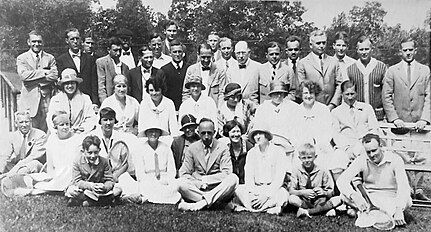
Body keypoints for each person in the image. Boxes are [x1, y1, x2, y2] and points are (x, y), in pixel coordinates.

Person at [382, 37, 430, 201]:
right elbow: (386, 96)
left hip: (419, 123)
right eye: (405, 50)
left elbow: (429, 96)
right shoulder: (392, 71)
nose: (408, 53)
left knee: (421, 156)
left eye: (411, 49)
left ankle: (420, 189)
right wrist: (394, 118)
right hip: (400, 123)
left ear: (415, 50)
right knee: (403, 156)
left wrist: (425, 119)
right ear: (400, 51)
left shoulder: (425, 70)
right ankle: (407, 189)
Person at [337, 133, 412, 226]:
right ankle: (370, 211)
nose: (371, 155)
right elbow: (341, 180)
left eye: (374, 150)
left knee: (407, 201)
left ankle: (363, 212)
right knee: (344, 195)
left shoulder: (395, 159)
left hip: (391, 197)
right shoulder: (362, 159)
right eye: (368, 152)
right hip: (369, 197)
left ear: (381, 146)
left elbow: (403, 186)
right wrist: (354, 196)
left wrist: (399, 209)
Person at [177, 118, 238, 211]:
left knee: (233, 178)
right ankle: (217, 204)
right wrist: (198, 183)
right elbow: (183, 173)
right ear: (198, 132)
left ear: (214, 132)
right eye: (203, 133)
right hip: (199, 189)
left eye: (209, 133)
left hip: (218, 187)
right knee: (180, 183)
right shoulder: (192, 148)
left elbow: (227, 173)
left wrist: (205, 180)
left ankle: (201, 203)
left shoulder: (222, 147)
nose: (206, 136)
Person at [231, 121, 288, 214]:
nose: (257, 136)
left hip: (272, 189)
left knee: (283, 194)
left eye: (260, 133)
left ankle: (254, 208)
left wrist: (266, 196)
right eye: (255, 134)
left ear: (267, 135)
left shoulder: (278, 151)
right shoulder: (251, 153)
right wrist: (255, 194)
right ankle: (268, 208)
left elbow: (279, 179)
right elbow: (248, 177)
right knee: (239, 190)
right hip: (256, 190)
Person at [332, 81, 380, 177]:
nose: (350, 97)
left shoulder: (367, 108)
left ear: (357, 93)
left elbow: (374, 129)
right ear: (342, 94)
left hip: (364, 146)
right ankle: (343, 190)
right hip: (345, 147)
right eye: (347, 94)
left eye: (352, 94)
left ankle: (366, 188)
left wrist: (363, 144)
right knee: (337, 158)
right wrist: (347, 148)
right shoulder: (336, 112)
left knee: (367, 157)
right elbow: (335, 134)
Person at [17, 30, 58, 132]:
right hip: (29, 100)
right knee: (30, 130)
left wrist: (32, 79)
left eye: (39, 41)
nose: (37, 44)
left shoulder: (50, 58)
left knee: (47, 128)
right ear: (28, 42)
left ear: (43, 42)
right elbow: (24, 76)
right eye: (34, 41)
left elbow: (54, 75)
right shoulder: (22, 58)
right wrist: (44, 72)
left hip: (46, 98)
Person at [65, 135, 122, 207]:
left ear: (99, 150)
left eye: (96, 152)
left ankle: (88, 202)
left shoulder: (104, 161)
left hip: (99, 190)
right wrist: (91, 186)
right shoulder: (77, 161)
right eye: (89, 153)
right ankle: (103, 201)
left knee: (118, 189)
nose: (93, 156)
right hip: (84, 189)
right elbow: (77, 181)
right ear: (83, 151)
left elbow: (109, 180)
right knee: (71, 190)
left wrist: (104, 187)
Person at [289, 143, 342, 218]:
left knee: (338, 199)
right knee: (292, 199)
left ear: (315, 157)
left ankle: (307, 211)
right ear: (299, 158)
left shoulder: (322, 170)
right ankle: (323, 210)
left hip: (320, 201)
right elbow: (291, 191)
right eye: (304, 158)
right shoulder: (296, 170)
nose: (307, 160)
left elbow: (331, 192)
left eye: (309, 157)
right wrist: (303, 192)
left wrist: (323, 192)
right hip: (305, 201)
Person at [293, 81, 336, 172]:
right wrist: (301, 147)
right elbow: (293, 134)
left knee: (325, 162)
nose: (308, 96)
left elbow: (328, 131)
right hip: (301, 148)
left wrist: (319, 145)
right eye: (305, 93)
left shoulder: (323, 109)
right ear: (301, 95)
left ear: (315, 94)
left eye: (311, 93)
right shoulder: (296, 111)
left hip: (321, 147)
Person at [34, 112, 82, 192]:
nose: (65, 127)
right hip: (57, 172)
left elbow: (79, 163)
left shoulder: (77, 139)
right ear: (56, 127)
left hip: (72, 173)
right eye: (61, 125)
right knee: (42, 183)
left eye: (67, 124)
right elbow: (50, 165)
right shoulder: (52, 139)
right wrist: (52, 176)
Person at [132, 125, 180, 204]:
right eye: (150, 131)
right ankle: (152, 197)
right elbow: (140, 173)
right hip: (148, 180)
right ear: (146, 134)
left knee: (174, 186)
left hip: (164, 180)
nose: (153, 134)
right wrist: (152, 182)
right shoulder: (141, 149)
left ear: (160, 134)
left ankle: (148, 198)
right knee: (144, 187)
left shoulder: (166, 148)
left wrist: (167, 181)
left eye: (156, 131)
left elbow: (171, 170)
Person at [297, 29, 343, 110]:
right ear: (311, 45)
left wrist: (332, 105)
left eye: (324, 43)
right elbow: (302, 88)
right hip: (312, 108)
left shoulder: (334, 62)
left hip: (332, 108)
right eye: (318, 43)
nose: (321, 46)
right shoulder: (303, 63)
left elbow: (339, 85)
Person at [253, 81, 299, 160]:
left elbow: (296, 130)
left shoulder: (293, 107)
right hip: (268, 145)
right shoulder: (263, 108)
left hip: (287, 146)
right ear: (270, 94)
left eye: (281, 93)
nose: (278, 96)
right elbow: (258, 129)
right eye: (275, 93)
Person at [346, 36, 387, 120]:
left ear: (371, 49)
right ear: (357, 50)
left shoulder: (381, 67)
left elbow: (387, 93)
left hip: (378, 116)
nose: (364, 52)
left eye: (366, 49)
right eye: (361, 50)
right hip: (357, 115)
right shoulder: (350, 69)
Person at [56, 28, 99, 105]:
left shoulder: (90, 59)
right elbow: (61, 83)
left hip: (87, 100)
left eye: (77, 39)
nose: (75, 42)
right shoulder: (61, 60)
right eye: (72, 39)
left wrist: (95, 102)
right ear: (67, 41)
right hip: (69, 100)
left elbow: (94, 82)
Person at [47, 69, 96, 134]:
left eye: (72, 83)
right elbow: (50, 120)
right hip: (60, 134)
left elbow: (91, 118)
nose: (70, 86)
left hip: (80, 134)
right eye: (67, 83)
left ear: (76, 84)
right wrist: (58, 132)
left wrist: (81, 129)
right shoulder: (55, 100)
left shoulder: (85, 98)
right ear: (63, 85)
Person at [0, 111, 46, 176]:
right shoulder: (13, 136)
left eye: (26, 122)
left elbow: (33, 157)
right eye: (21, 122)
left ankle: (11, 177)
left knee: (32, 164)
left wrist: (16, 168)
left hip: (34, 166)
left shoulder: (40, 135)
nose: (24, 125)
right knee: (6, 165)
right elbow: (5, 156)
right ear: (16, 123)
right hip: (18, 165)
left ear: (30, 122)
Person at [157, 40, 189, 110]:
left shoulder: (189, 68)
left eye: (179, 51)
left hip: (186, 106)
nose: (177, 54)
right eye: (174, 52)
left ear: (183, 53)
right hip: (169, 108)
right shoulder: (164, 70)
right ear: (170, 53)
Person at [96, 36, 130, 104]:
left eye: (120, 50)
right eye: (115, 50)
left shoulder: (125, 66)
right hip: (108, 101)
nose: (118, 53)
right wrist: (105, 104)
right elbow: (101, 85)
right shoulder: (102, 62)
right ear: (109, 50)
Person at [221, 120, 253, 184]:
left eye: (238, 131)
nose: (236, 134)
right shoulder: (226, 148)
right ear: (228, 133)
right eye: (233, 132)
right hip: (232, 183)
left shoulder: (248, 147)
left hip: (246, 183)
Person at [285, 35, 302, 103]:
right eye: (290, 49)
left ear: (300, 50)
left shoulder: (305, 64)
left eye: (296, 49)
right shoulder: (282, 66)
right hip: (286, 104)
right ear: (286, 51)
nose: (293, 52)